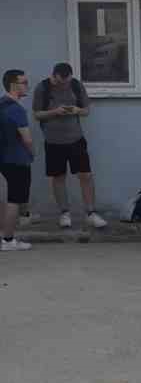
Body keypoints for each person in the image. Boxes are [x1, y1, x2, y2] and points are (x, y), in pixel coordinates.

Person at [32, 61, 107, 229]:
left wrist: (76, 110)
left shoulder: (76, 85)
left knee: (85, 175)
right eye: (61, 82)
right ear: (54, 76)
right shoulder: (42, 88)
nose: (64, 84)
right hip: (53, 141)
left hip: (76, 139)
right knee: (58, 177)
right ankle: (64, 213)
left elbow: (86, 110)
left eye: (66, 81)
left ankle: (90, 213)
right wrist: (55, 112)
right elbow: (37, 114)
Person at [0, 68, 34, 252]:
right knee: (15, 199)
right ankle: (8, 240)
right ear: (14, 85)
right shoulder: (16, 109)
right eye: (24, 82)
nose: (27, 86)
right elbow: (27, 139)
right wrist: (32, 153)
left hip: (3, 158)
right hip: (17, 159)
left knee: (5, 198)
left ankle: (3, 235)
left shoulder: (1, 104)